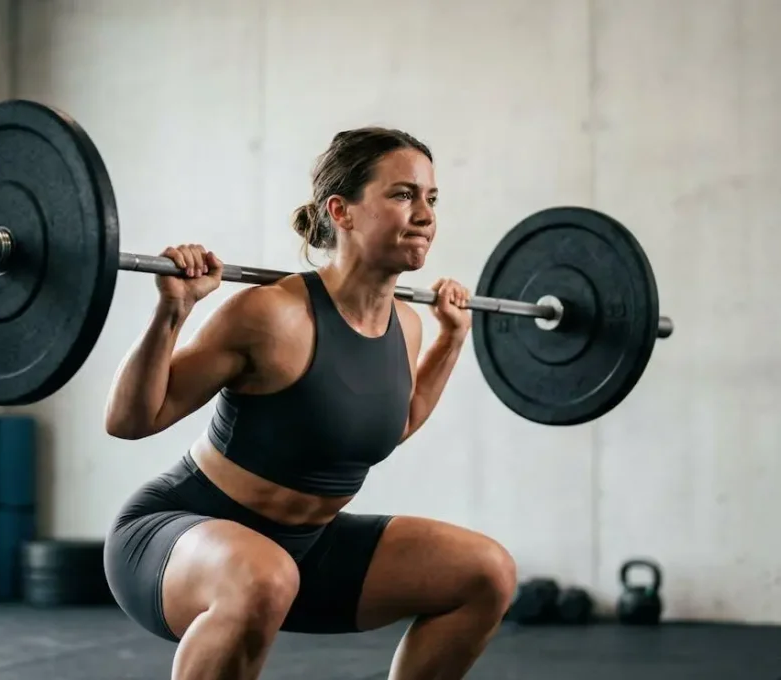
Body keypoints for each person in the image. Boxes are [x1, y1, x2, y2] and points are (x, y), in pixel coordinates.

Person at [102, 126, 517, 680]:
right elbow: (130, 420)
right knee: (263, 576)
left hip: (305, 550)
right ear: (341, 211)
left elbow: (390, 424)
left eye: (431, 199)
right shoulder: (270, 315)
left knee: (485, 573)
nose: (425, 214)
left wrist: (451, 339)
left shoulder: (409, 325)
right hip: (181, 536)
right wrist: (172, 313)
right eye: (402, 194)